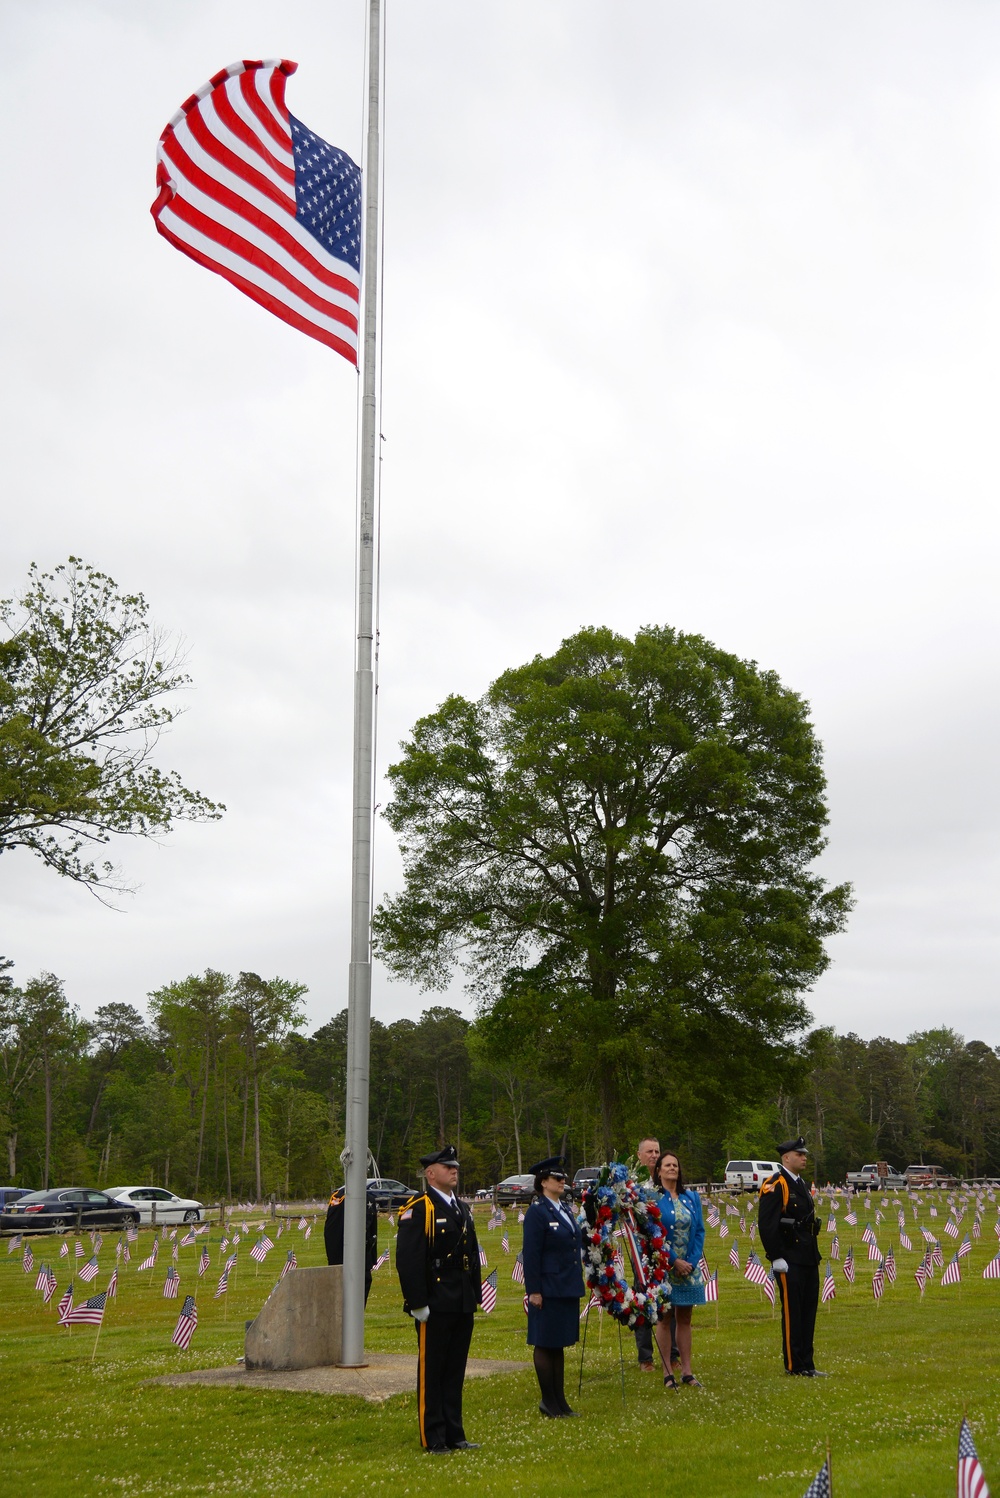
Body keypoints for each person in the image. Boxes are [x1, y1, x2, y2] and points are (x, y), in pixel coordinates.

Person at [395, 1145, 483, 1452]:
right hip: (434, 1301)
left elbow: (471, 1253)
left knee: (455, 1370)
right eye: (448, 1166)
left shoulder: (461, 1207)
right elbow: (408, 1259)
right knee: (432, 1371)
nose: (454, 1170)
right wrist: (418, 1303)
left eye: (455, 1166)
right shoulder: (418, 1207)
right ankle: (432, 1435)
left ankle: (454, 1433)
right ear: (431, 1173)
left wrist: (475, 1293)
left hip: (460, 1300)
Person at [522, 1156, 585, 1418]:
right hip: (547, 1287)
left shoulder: (565, 1209)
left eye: (563, 1177)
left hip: (567, 1285)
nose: (563, 1181)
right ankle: (548, 1400)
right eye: (557, 1178)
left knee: (558, 1343)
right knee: (545, 1342)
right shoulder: (538, 1212)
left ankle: (560, 1400)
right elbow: (532, 1253)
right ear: (544, 1182)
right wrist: (534, 1290)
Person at [758, 1136, 824, 1377]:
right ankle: (794, 1365)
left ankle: (808, 1363)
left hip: (807, 1255)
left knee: (808, 1311)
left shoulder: (801, 1183)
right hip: (788, 1257)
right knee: (792, 1313)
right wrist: (775, 1256)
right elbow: (767, 1224)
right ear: (786, 1158)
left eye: (804, 1154)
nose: (804, 1157)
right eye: (799, 1154)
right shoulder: (776, 1184)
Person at [652, 1150, 706, 1389]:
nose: (672, 1168)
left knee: (685, 1318)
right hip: (665, 1267)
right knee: (664, 1318)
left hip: (689, 1269)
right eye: (667, 1165)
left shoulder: (691, 1197)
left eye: (675, 1165)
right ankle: (667, 1373)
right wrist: (674, 1261)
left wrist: (691, 1261)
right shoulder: (653, 1199)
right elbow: (653, 1234)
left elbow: (700, 1231)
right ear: (659, 1170)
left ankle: (687, 1371)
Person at [633, 1135, 679, 1372]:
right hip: (641, 1252)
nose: (653, 1155)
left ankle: (672, 1355)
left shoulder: (665, 1183)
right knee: (644, 1302)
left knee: (669, 1303)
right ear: (639, 1156)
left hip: (667, 1253)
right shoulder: (633, 1185)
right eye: (649, 1152)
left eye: (656, 1151)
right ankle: (645, 1358)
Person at [324, 1186, 378, 1302]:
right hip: (344, 1259)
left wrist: (371, 1259)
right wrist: (335, 1264)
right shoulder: (341, 1198)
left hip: (363, 1259)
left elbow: (372, 1231)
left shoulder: (369, 1199)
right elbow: (332, 1231)